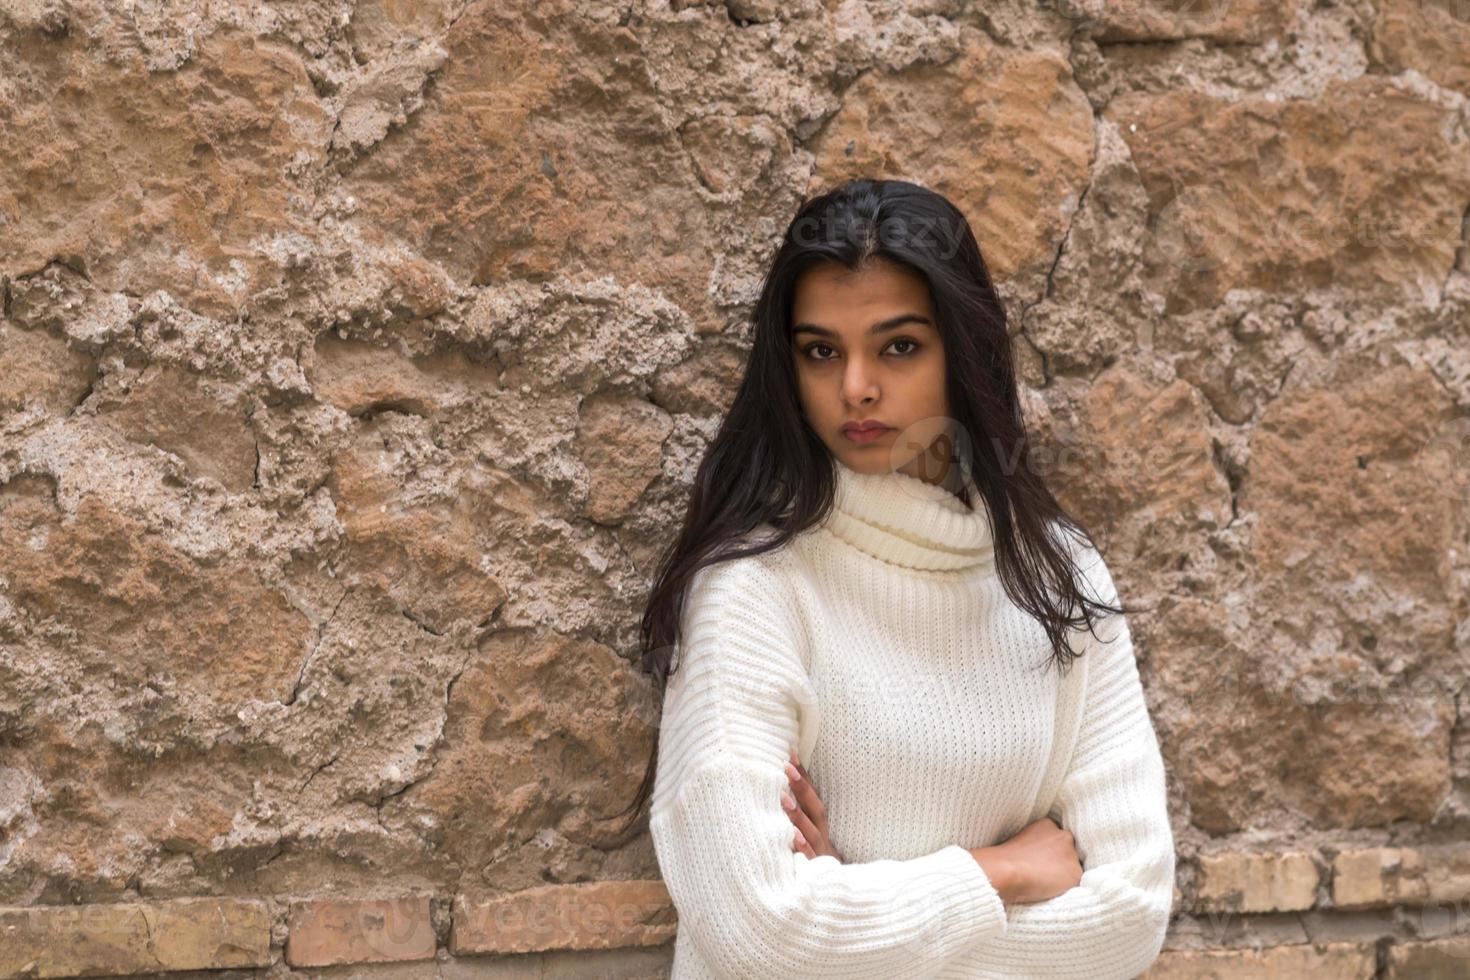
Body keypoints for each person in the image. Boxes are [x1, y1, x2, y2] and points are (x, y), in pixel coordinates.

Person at [613, 178, 1175, 978]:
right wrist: (1000, 872)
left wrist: (855, 911)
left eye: (899, 346)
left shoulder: (1058, 575)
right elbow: (758, 932)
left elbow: (1131, 916)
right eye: (821, 351)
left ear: (962, 350)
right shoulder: (758, 589)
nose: (855, 388)